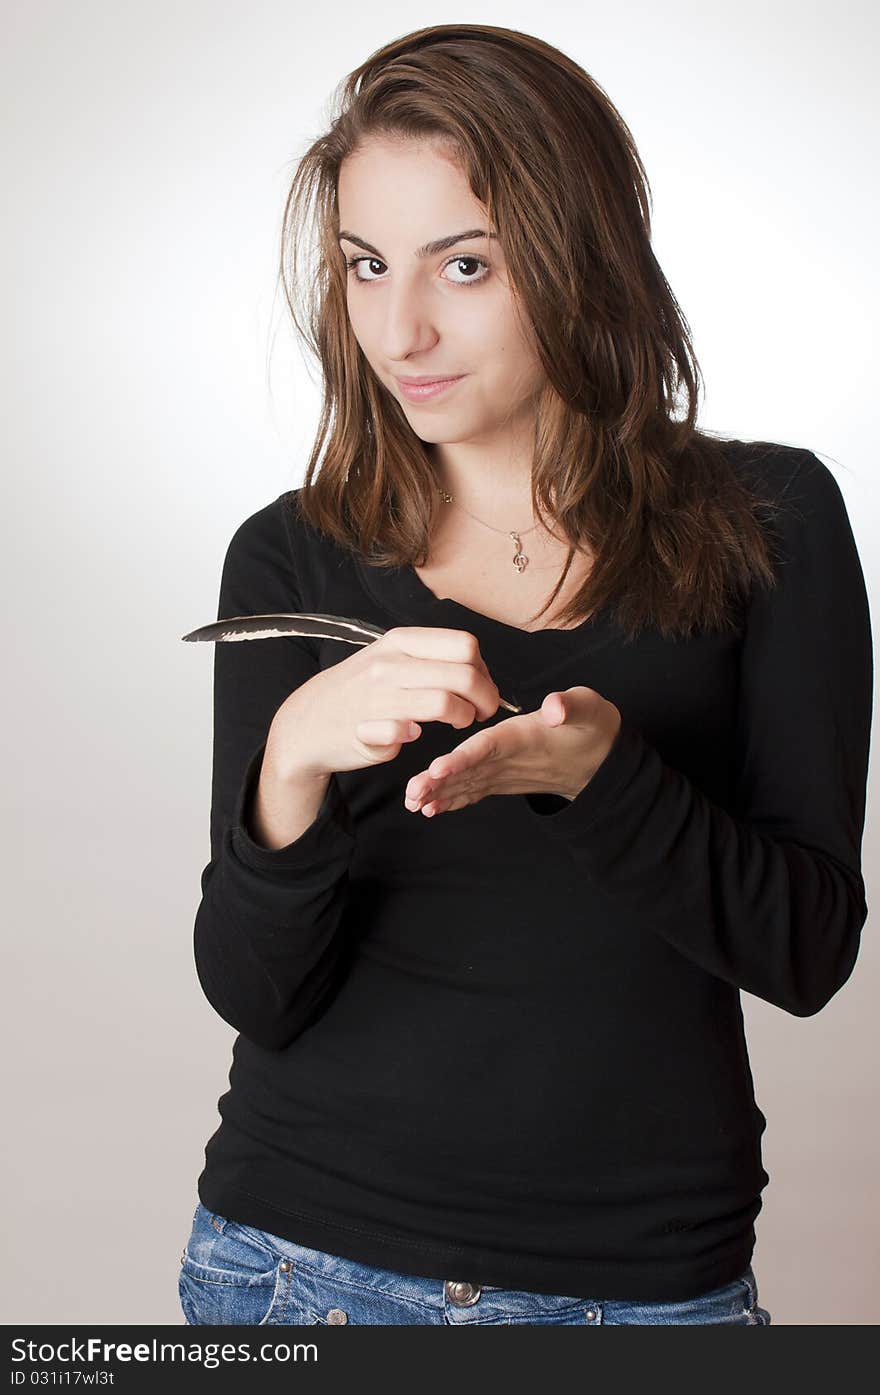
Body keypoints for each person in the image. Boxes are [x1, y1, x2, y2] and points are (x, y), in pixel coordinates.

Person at [178, 24, 872, 1326]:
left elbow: (809, 948)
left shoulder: (770, 521)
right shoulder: (288, 554)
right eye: (367, 267)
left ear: (577, 255)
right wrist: (288, 764)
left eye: (466, 265)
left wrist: (605, 782)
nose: (402, 327)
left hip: (640, 1288)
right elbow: (252, 990)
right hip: (300, 1266)